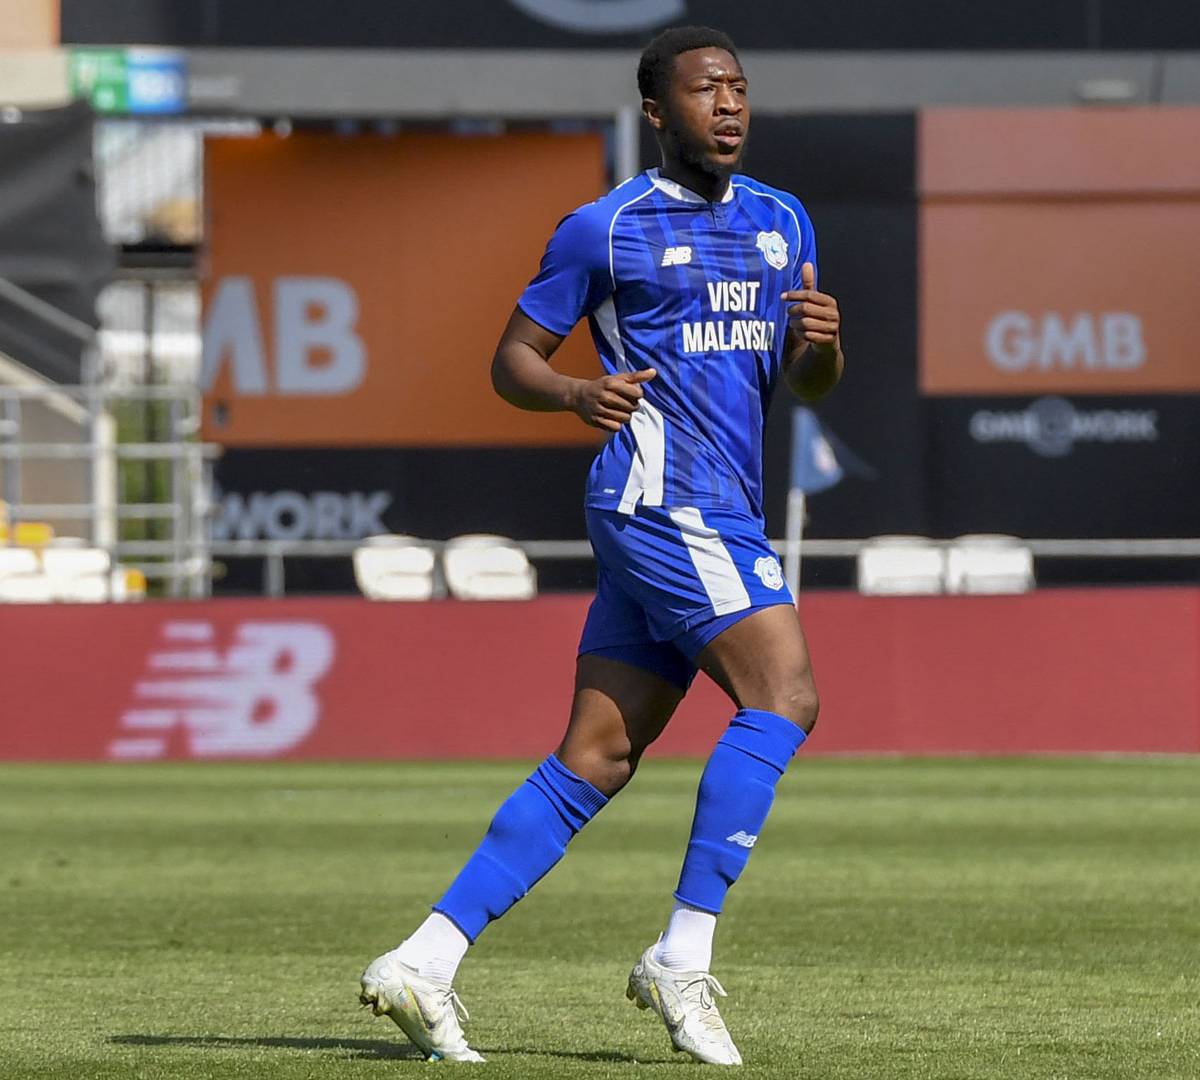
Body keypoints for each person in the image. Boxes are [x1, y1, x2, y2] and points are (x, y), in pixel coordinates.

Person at [358, 25, 843, 1064]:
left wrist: (822, 350)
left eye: (740, 89)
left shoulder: (783, 220)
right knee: (786, 696)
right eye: (705, 90)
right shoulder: (605, 228)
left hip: (717, 507)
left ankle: (423, 960)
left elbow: (803, 386)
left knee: (600, 754)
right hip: (666, 501)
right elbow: (512, 361)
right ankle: (684, 952)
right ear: (656, 111)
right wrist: (578, 388)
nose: (729, 106)